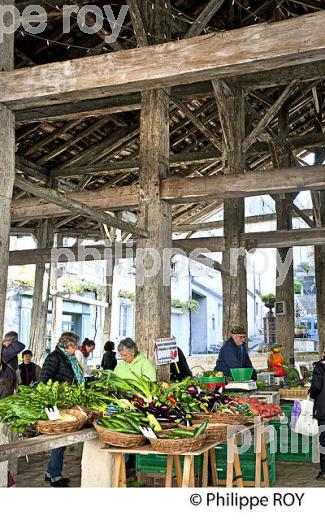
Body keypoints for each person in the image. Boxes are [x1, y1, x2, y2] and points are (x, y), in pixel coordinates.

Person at [39, 332, 85, 487]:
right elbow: (43, 380)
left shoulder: (69, 358)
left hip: (65, 403)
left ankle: (50, 472)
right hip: (56, 404)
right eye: (75, 345)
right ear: (68, 345)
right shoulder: (54, 357)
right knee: (60, 439)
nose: (77, 348)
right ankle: (55, 476)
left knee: (61, 441)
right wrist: (50, 401)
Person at [309, 356, 325, 480]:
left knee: (324, 440)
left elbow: (316, 387)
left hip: (323, 410)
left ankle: (324, 470)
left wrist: (311, 393)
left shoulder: (319, 368)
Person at [0, 331, 25, 399]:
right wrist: (11, 340)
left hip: (7, 381)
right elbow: (21, 346)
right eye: (16, 340)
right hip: (5, 382)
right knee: (4, 403)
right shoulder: (5, 351)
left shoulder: (6, 349)